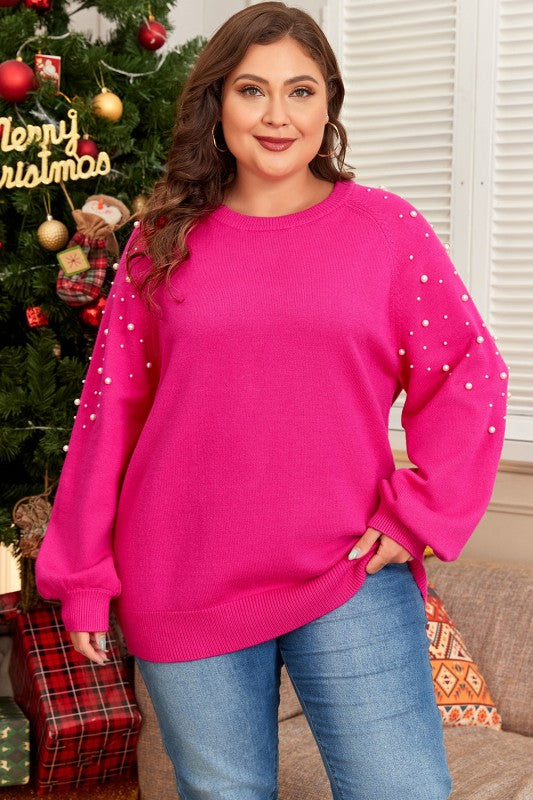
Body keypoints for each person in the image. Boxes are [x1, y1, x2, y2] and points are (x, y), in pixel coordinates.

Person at [35, 3, 509, 799]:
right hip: (180, 573)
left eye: (300, 91)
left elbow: (468, 375)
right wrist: (82, 574)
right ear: (218, 104)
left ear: (328, 105)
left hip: (347, 569)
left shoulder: (386, 232)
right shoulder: (161, 240)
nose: (277, 116)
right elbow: (108, 412)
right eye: (252, 90)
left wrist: (418, 513)